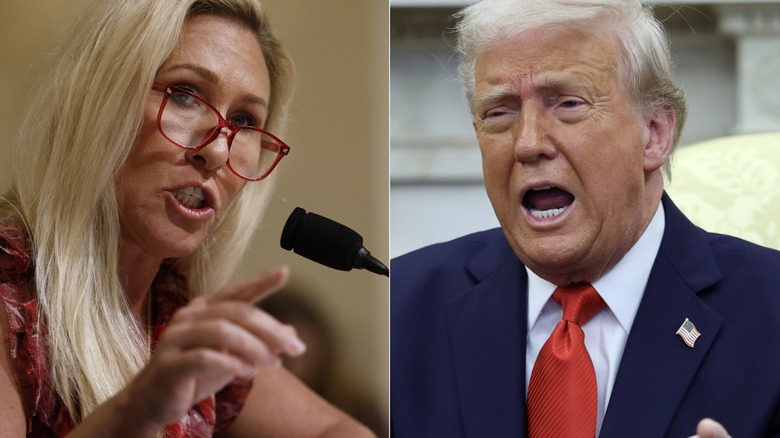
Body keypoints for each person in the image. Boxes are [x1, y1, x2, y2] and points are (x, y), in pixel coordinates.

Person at [390, 0, 780, 437]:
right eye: (499, 112)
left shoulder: (772, 307)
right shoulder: (400, 308)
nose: (528, 143)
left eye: (568, 104)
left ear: (654, 133)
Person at [0, 0, 374, 436]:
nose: (217, 150)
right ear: (96, 97)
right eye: (184, 95)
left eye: (244, 120)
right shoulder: (12, 299)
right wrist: (134, 411)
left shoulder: (170, 309)